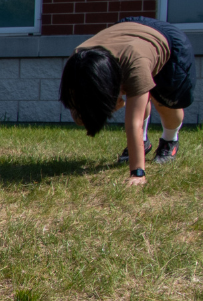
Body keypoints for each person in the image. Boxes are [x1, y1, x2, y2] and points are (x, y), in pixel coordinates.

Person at [58, 18, 194, 183]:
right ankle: (142, 142)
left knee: (163, 102)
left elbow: (133, 123)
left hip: (166, 39)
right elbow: (81, 115)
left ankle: (170, 140)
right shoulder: (78, 63)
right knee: (136, 91)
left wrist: (137, 174)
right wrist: (107, 107)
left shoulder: (135, 65)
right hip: (127, 29)